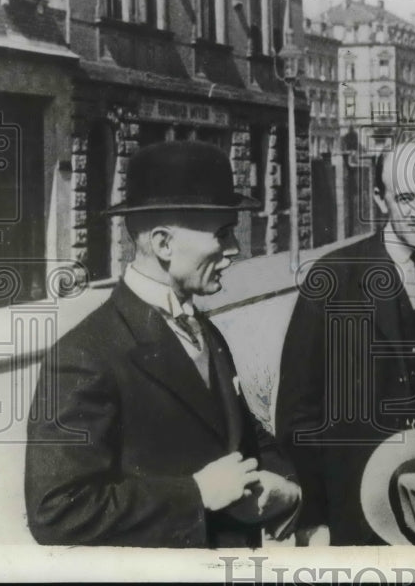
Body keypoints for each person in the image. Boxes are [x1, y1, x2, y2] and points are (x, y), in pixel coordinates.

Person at [25, 141, 301, 547]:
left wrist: (288, 487)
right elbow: (56, 510)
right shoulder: (84, 354)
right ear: (163, 244)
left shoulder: (203, 328)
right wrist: (194, 495)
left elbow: (245, 432)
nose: (235, 250)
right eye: (222, 234)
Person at [276, 140, 415, 545]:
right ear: (380, 199)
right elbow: (298, 412)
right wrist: (312, 518)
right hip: (349, 517)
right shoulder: (331, 278)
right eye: (404, 197)